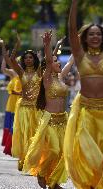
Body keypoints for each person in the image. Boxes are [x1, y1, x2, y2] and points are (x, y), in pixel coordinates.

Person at [63, 0, 103, 188]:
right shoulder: (80, 55)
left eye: (99, 33)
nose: (95, 36)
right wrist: (74, 3)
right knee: (87, 154)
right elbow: (72, 29)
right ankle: (88, 185)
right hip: (85, 111)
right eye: (91, 34)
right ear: (86, 37)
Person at [23, 31, 71, 189]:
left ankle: (54, 182)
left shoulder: (61, 77)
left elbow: (72, 60)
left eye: (59, 62)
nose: (59, 64)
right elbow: (50, 60)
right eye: (56, 62)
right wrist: (47, 45)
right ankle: (42, 173)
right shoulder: (47, 79)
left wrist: (80, 47)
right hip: (49, 120)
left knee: (63, 153)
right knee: (55, 150)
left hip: (63, 120)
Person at [0, 35, 42, 171]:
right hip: (23, 108)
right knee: (24, 134)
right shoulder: (20, 73)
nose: (28, 59)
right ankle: (23, 159)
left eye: (30, 57)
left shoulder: (39, 72)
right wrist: (17, 45)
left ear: (34, 59)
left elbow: (49, 61)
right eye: (26, 58)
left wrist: (51, 46)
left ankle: (35, 159)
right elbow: (10, 60)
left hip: (37, 108)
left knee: (36, 134)